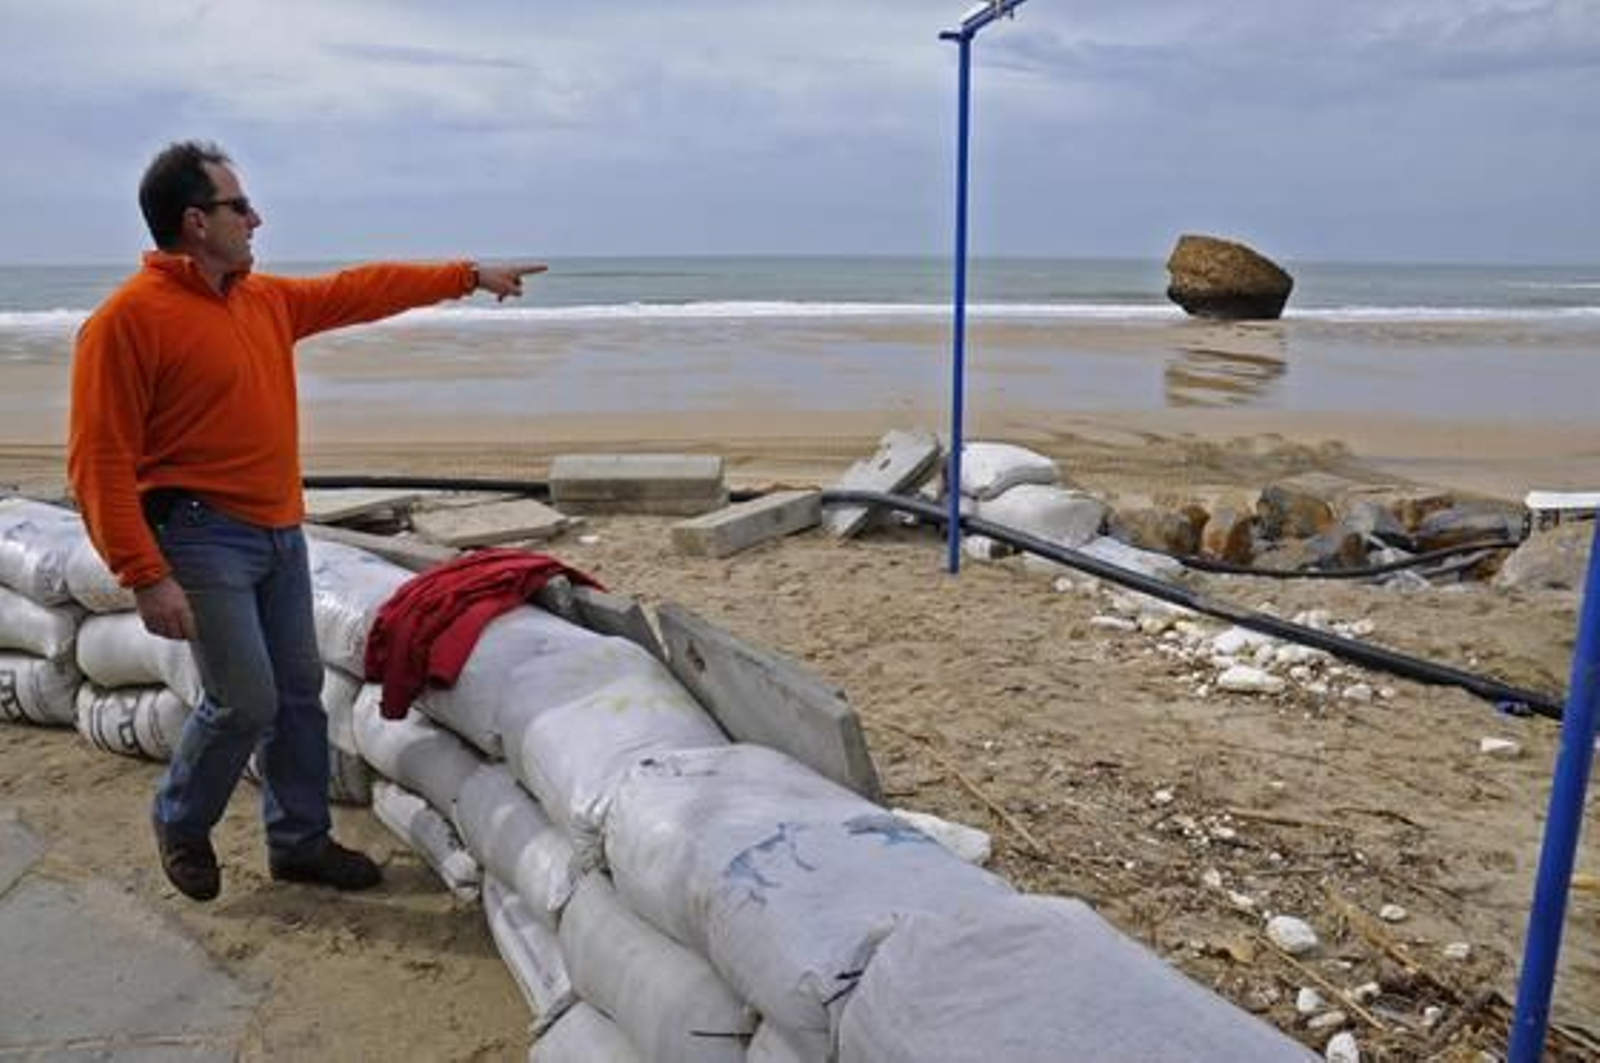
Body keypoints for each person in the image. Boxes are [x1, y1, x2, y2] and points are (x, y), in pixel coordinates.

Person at [67, 140, 545, 902]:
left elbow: (362, 290)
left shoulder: (264, 301)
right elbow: (98, 462)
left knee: (298, 691)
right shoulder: (126, 323)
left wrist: (464, 275)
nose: (255, 219)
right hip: (198, 533)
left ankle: (299, 842)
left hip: (279, 532)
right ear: (196, 222)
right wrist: (143, 575)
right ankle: (181, 817)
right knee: (244, 698)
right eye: (238, 206)